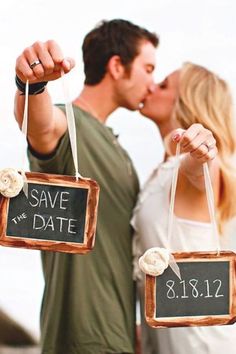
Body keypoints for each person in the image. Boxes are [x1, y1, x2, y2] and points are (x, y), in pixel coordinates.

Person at [14, 19, 159, 354]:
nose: (152, 83)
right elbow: (43, 127)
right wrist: (31, 86)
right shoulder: (71, 125)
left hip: (118, 336)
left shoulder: (117, 148)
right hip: (81, 339)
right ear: (117, 66)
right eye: (148, 68)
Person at [132, 62, 236, 354]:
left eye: (163, 85)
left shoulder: (193, 169)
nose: (151, 86)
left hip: (203, 345)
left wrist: (201, 153)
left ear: (186, 101)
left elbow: (199, 170)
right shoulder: (160, 171)